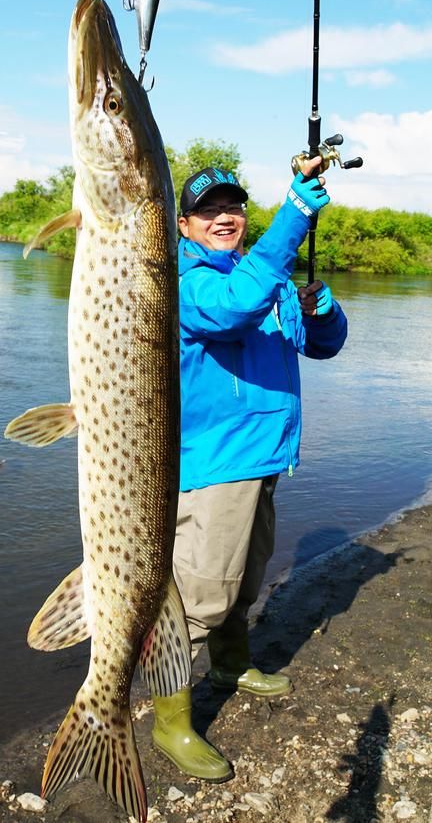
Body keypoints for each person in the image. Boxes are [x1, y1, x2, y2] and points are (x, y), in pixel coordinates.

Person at [151, 157, 348, 780]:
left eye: (233, 207)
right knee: (202, 597)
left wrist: (320, 311)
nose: (224, 217)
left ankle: (231, 665)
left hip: (263, 458)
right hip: (212, 466)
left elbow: (322, 345)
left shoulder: (259, 278)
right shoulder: (184, 280)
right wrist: (295, 214)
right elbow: (231, 311)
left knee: (244, 579)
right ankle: (170, 722)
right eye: (209, 210)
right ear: (183, 225)